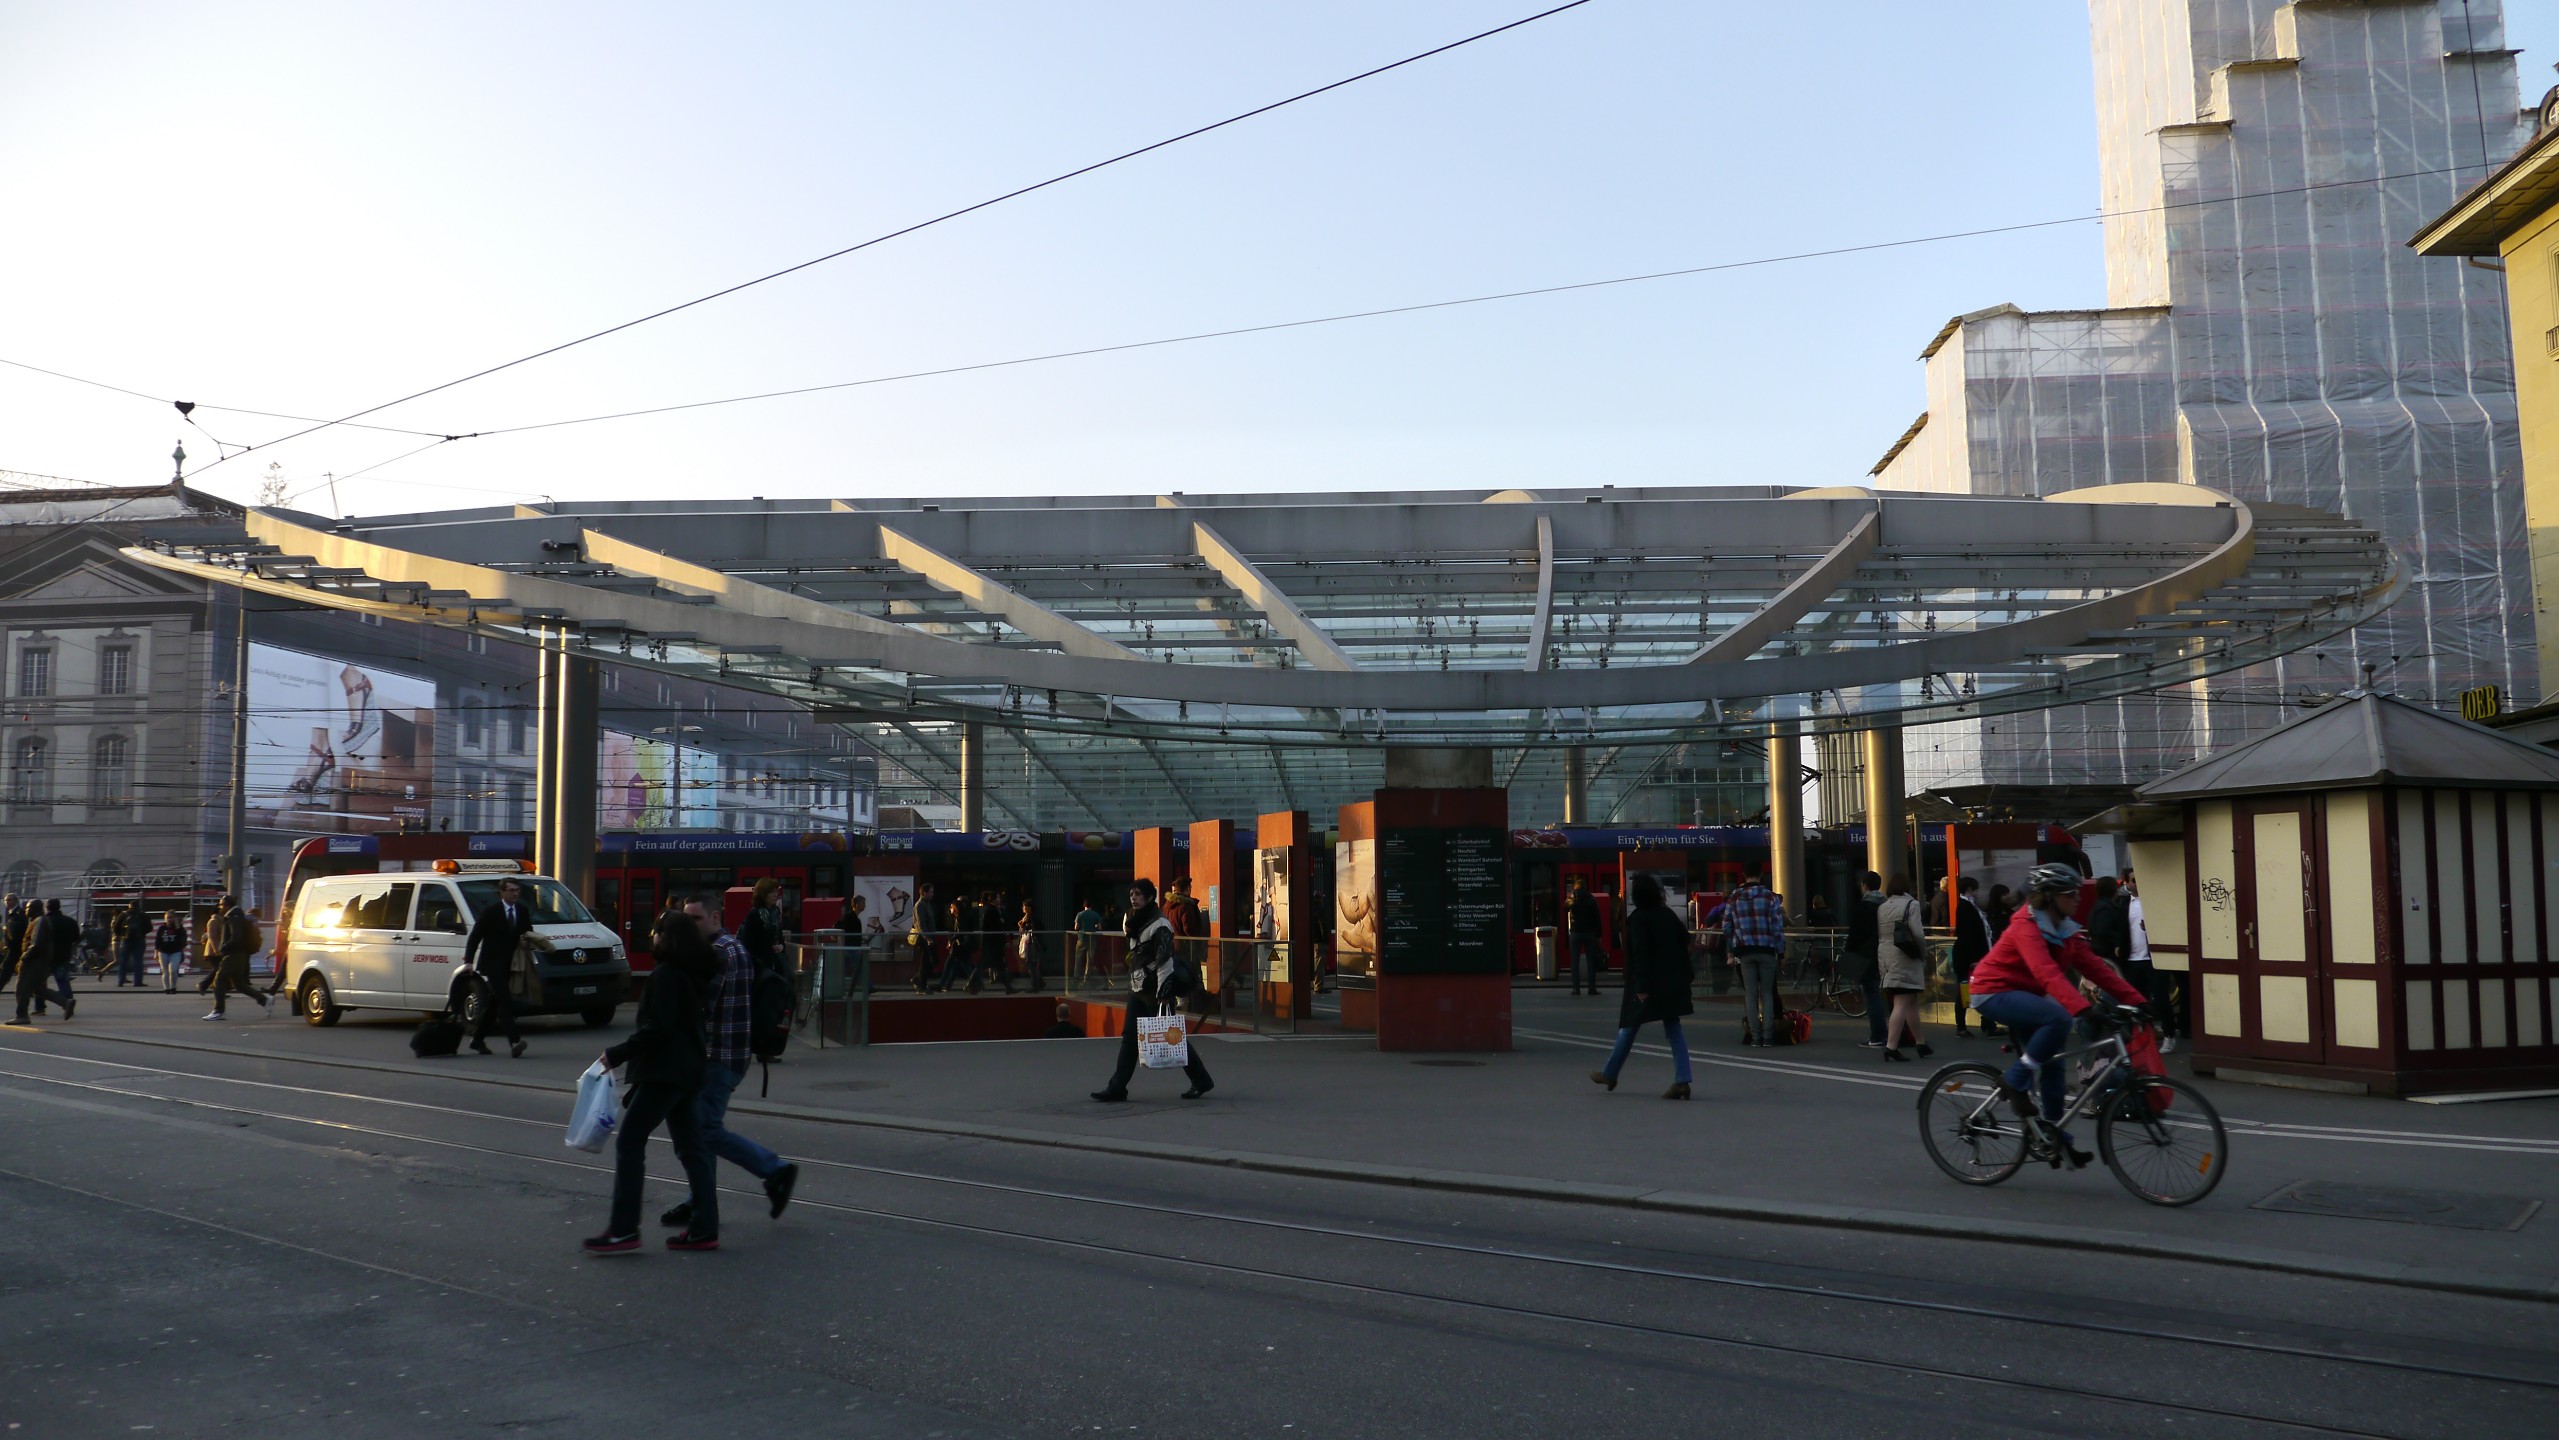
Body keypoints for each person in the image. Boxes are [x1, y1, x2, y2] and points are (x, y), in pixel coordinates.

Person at [1966, 862, 2149, 1167]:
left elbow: (2096, 969)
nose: (2077, 898)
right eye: (2070, 894)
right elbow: (2046, 973)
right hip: (1992, 991)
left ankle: (2052, 1133)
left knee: (2052, 1062)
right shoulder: (2026, 926)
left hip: (2026, 996)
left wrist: (2139, 1002)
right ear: (2049, 897)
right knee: (2059, 1018)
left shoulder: (2064, 930)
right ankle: (2015, 1080)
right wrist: (2083, 1009)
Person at [654, 894, 798, 1233]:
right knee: (699, 1129)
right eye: (686, 919)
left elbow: (700, 1007)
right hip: (723, 1055)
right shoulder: (729, 947)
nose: (689, 926)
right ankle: (699, 1199)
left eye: (696, 919)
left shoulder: (720, 952)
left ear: (715, 917)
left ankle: (774, 1169)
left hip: (719, 1056)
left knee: (704, 1129)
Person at [585, 911, 721, 1255]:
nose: (652, 937)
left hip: (664, 1072)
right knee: (692, 1149)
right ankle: (704, 1228)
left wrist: (616, 1054)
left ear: (666, 937)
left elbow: (658, 1029)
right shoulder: (693, 974)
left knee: (630, 1143)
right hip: (688, 1071)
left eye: (656, 931)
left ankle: (624, 1229)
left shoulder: (666, 976)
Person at [1091, 878, 1214, 1102]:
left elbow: (1164, 960)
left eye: (1138, 894)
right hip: (1138, 988)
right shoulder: (1133, 920)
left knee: (1173, 1036)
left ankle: (1201, 1080)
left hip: (1156, 991)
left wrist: (1164, 993)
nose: (1133, 898)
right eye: (1131, 894)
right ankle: (1117, 1088)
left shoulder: (1160, 924)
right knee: (1130, 1038)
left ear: (1149, 897)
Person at [1589, 872, 1696, 1099]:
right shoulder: (1668, 914)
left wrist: (1642, 986)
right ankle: (1683, 1079)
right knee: (1673, 1028)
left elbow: (1641, 955)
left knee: (1629, 1025)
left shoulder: (1638, 919)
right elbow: (1685, 940)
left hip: (1648, 983)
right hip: (1672, 982)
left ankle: (1610, 1073)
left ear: (1636, 896)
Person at [1708, 869, 1785, 1046]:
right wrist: (1781, 954)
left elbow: (1727, 927)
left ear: (1744, 875)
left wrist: (1732, 948)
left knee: (1750, 993)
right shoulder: (1770, 897)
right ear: (1760, 875)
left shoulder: (1734, 897)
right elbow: (1777, 928)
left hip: (1744, 950)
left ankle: (1755, 1037)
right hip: (1767, 949)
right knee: (1767, 993)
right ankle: (1768, 1036)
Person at [461, 876, 533, 1057]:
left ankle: (477, 1040)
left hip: (513, 965)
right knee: (504, 1000)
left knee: (494, 1003)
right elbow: (475, 936)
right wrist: (468, 961)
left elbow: (528, 934)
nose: (515, 893)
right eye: (511, 890)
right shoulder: (491, 912)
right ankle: (515, 1041)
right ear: (502, 892)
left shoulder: (522, 911)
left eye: (517, 890)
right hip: (493, 964)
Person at [1875, 875, 1930, 1062]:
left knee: (1909, 1001)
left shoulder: (1882, 907)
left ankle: (1921, 1042)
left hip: (1886, 956)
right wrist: (1923, 953)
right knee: (1901, 1002)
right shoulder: (1911, 905)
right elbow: (1918, 934)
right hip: (1906, 956)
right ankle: (1891, 1046)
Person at [2119, 869, 2171, 1052]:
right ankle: (2143, 1035)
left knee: (2161, 998)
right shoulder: (2124, 903)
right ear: (2127, 883)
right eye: (2134, 880)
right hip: (2132, 959)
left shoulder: (2154, 902)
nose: (2138, 883)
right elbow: (2121, 929)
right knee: (2136, 1001)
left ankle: (2169, 1034)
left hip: (2153, 957)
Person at [202, 893, 266, 1020]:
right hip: (239, 954)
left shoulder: (233, 916)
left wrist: (223, 948)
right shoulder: (237, 915)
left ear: (226, 905)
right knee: (238, 984)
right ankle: (264, 1000)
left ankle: (218, 1011)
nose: (220, 907)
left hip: (233, 954)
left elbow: (236, 937)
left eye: (221, 905)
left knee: (219, 980)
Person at [13, 899, 77, 1022]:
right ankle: (65, 1002)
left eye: (28, 908)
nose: (26, 910)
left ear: (36, 908)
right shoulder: (39, 920)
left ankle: (22, 1015)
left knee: (21, 987)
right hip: (43, 959)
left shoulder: (40, 921)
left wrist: (24, 957)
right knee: (39, 989)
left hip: (34, 961)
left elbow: (36, 943)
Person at [1844, 872, 1886, 1048]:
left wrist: (1848, 950)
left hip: (1865, 956)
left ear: (1865, 886)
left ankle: (1878, 1035)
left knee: (1871, 995)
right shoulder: (1884, 905)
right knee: (1880, 994)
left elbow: (1855, 934)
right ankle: (1889, 1034)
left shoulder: (1863, 907)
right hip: (1883, 954)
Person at [1948, 876, 1992, 1038]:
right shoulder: (1966, 907)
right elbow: (1967, 935)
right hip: (1969, 958)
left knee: (1969, 989)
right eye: (1976, 888)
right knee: (1964, 991)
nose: (1978, 892)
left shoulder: (1969, 906)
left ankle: (1985, 1023)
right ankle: (1963, 1026)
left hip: (1970, 956)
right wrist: (1974, 958)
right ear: (1970, 889)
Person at [1687, 887, 1731, 997]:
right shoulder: (1733, 909)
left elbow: (1707, 921)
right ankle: (1724, 991)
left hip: (1715, 945)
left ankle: (1717, 991)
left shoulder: (1717, 909)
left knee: (1716, 969)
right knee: (1727, 969)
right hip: (1729, 944)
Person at [738, 877, 787, 975]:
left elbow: (780, 937)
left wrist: (781, 946)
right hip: (760, 966)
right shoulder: (754, 914)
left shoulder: (776, 912)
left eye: (776, 891)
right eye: (772, 892)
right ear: (763, 894)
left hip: (777, 963)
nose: (776, 894)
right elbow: (748, 943)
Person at [1566, 879, 1604, 997]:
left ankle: (1576, 988)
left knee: (1575, 961)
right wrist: (1599, 935)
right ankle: (1591, 988)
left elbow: (1564, 907)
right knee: (1591, 961)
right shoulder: (1591, 899)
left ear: (1575, 888)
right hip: (1589, 933)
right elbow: (1597, 918)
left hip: (1575, 933)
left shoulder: (1572, 898)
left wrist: (1572, 897)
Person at [1069, 895, 1104, 988]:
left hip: (1081, 938)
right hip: (1092, 939)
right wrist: (1094, 926)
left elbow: (1076, 927)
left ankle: (1076, 977)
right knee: (1089, 959)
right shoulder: (1095, 914)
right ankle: (1086, 978)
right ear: (1091, 905)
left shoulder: (1080, 914)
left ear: (1084, 905)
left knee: (1078, 958)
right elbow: (1099, 928)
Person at [113, 900, 148, 986]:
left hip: (126, 940)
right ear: (138, 906)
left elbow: (115, 927)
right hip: (139, 940)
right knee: (138, 961)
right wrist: (142, 934)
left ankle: (121, 981)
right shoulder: (142, 915)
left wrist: (122, 935)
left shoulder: (123, 914)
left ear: (129, 906)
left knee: (123, 961)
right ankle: (138, 982)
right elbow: (149, 927)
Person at [153, 912, 189, 992]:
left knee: (173, 970)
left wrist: (178, 926)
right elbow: (157, 941)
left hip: (175, 951)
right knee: (165, 971)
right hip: (163, 951)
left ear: (174, 918)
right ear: (165, 918)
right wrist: (156, 952)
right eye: (167, 917)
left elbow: (183, 938)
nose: (169, 919)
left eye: (171, 917)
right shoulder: (162, 928)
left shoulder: (178, 928)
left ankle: (173, 987)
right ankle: (166, 988)